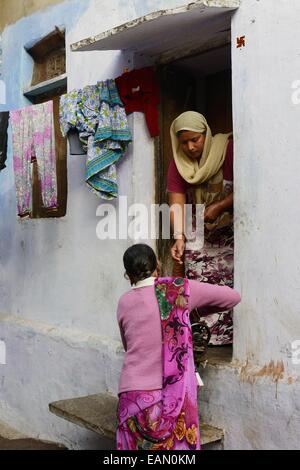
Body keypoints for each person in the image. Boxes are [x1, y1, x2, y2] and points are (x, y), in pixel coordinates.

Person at [116, 244, 240, 450]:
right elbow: (233, 297)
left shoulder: (124, 302)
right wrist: (190, 310)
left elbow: (128, 345)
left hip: (131, 398)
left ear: (128, 275)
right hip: (170, 395)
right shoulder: (180, 290)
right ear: (157, 266)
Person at [168, 111, 234, 345]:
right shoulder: (179, 163)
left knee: (228, 281)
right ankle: (207, 337)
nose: (190, 147)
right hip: (201, 229)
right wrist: (178, 237)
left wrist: (222, 205)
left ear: (206, 133)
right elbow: (176, 202)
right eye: (183, 142)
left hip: (231, 232)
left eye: (195, 139)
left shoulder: (228, 149)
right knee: (199, 278)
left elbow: (249, 186)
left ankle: (230, 337)